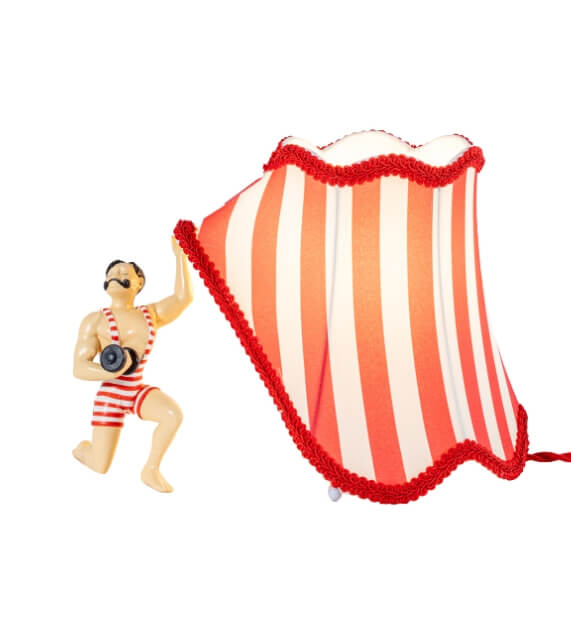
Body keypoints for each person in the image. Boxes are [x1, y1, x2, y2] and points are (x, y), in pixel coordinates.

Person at [72, 236, 193, 492]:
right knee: (100, 467)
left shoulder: (151, 314)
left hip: (135, 390)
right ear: (105, 282)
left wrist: (180, 255)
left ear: (138, 284)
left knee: (172, 415)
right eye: (113, 272)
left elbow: (183, 298)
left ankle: (151, 469)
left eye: (125, 273)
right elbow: (79, 367)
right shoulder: (94, 321)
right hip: (110, 395)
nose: (118, 274)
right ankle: (85, 450)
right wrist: (109, 370)